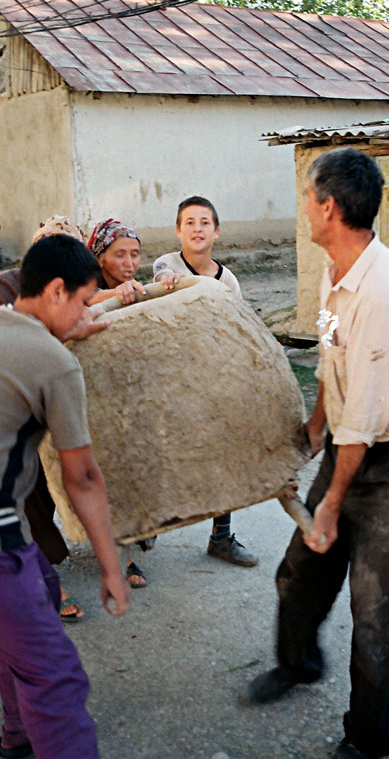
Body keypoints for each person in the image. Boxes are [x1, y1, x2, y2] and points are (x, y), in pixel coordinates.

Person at [245, 148, 389, 759]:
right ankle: (298, 663)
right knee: (300, 573)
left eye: (309, 196)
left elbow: (366, 417)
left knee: (378, 619)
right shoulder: (338, 273)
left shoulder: (382, 290)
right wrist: (312, 430)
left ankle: (368, 741)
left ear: (329, 207)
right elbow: (332, 360)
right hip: (349, 445)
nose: (305, 206)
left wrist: (331, 503)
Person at [0, 235, 130, 759]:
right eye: (85, 301)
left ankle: (17, 740)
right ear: (57, 290)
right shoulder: (53, 363)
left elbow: (21, 359)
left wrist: (66, 332)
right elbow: (83, 478)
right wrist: (111, 566)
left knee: (36, 599)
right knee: (55, 675)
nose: (88, 313)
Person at [0, 215, 93, 621]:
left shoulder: (68, 293)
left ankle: (35, 570)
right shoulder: (2, 288)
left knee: (40, 484)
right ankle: (35, 582)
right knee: (15, 495)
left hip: (28, 408)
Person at [153, 195, 257, 568]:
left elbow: (239, 324)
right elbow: (160, 275)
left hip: (214, 376)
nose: (197, 229)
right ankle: (147, 524)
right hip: (171, 377)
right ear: (178, 230)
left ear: (217, 231)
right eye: (190, 222)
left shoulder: (228, 279)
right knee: (165, 452)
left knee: (223, 454)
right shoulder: (168, 265)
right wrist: (167, 281)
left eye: (205, 222)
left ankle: (221, 536)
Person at [87, 218, 155, 588]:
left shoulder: (139, 289)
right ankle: (120, 558)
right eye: (119, 255)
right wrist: (115, 296)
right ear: (101, 259)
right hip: (96, 398)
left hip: (133, 395)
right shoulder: (88, 288)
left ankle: (130, 548)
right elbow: (78, 302)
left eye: (134, 255)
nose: (129, 263)